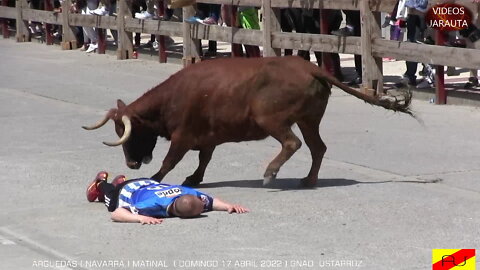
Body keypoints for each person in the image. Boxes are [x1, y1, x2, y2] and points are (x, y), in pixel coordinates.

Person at [86, 171, 249, 224]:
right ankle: (101, 184)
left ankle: (118, 182)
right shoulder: (152, 205)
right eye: (202, 207)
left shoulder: (188, 193)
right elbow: (117, 214)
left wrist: (228, 206)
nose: (205, 205)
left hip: (148, 183)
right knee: (110, 201)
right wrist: (140, 218)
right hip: (129, 191)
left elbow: (212, 201)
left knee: (118, 192)